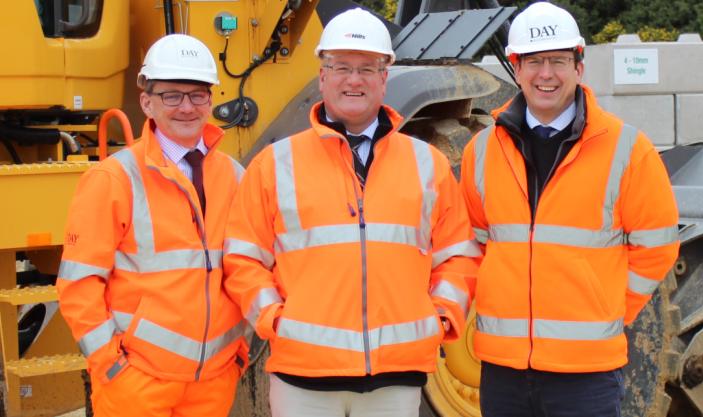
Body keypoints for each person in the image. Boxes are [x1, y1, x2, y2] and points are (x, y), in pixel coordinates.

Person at [223, 7, 479, 417]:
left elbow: (458, 255)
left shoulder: (426, 163)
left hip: (395, 381)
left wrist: (441, 317)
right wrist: (274, 319)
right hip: (302, 381)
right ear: (322, 76)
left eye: (367, 68)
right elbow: (243, 258)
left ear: (384, 77)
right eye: (341, 67)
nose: (354, 80)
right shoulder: (274, 165)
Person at [459, 2, 679, 417]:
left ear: (579, 66)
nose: (546, 74)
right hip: (502, 371)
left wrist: (609, 310)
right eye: (535, 61)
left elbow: (658, 248)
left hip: (586, 376)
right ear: (515, 67)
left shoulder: (627, 150)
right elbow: (472, 245)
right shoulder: (481, 151)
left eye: (558, 61)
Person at [56, 34, 248, 417]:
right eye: (172, 96)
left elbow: (248, 268)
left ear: (211, 100)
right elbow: (79, 285)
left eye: (197, 95)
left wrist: (237, 355)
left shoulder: (235, 176)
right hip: (137, 381)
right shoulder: (114, 179)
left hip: (214, 378)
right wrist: (110, 364)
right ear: (147, 102)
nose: (186, 107)